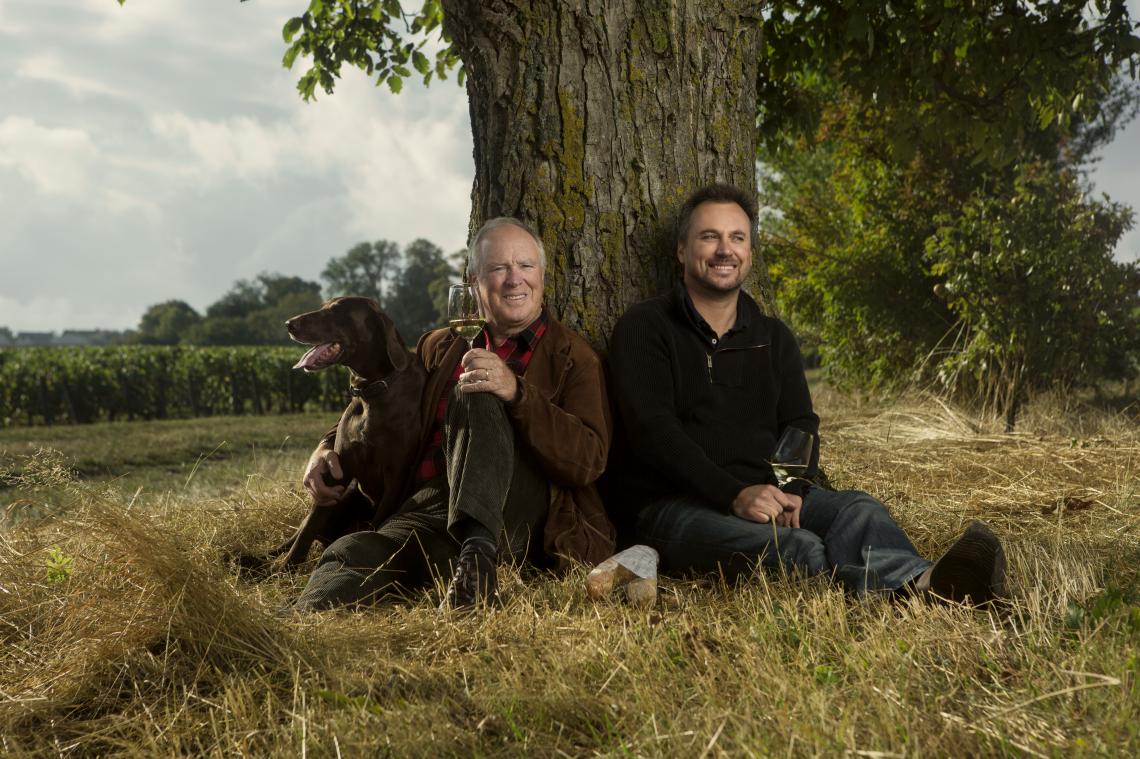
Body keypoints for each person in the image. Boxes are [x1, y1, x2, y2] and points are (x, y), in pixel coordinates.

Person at [606, 184, 1006, 604]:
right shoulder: (645, 328)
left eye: (737, 238)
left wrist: (794, 485)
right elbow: (654, 433)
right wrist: (734, 494)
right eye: (710, 237)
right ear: (682, 251)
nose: (726, 249)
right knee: (802, 552)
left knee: (859, 510)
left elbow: (800, 423)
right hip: (672, 506)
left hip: (768, 493)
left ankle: (927, 584)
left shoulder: (773, 337)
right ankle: (901, 591)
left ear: (750, 253)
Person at [291, 218, 615, 612]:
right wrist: (325, 447)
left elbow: (589, 460)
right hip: (431, 508)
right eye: (499, 269)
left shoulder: (574, 358)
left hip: (511, 515)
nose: (515, 280)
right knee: (354, 549)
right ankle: (297, 621)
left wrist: (516, 393)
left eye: (526, 266)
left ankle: (478, 561)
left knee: (476, 391)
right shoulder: (438, 345)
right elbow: (380, 405)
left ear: (542, 277)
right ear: (473, 279)